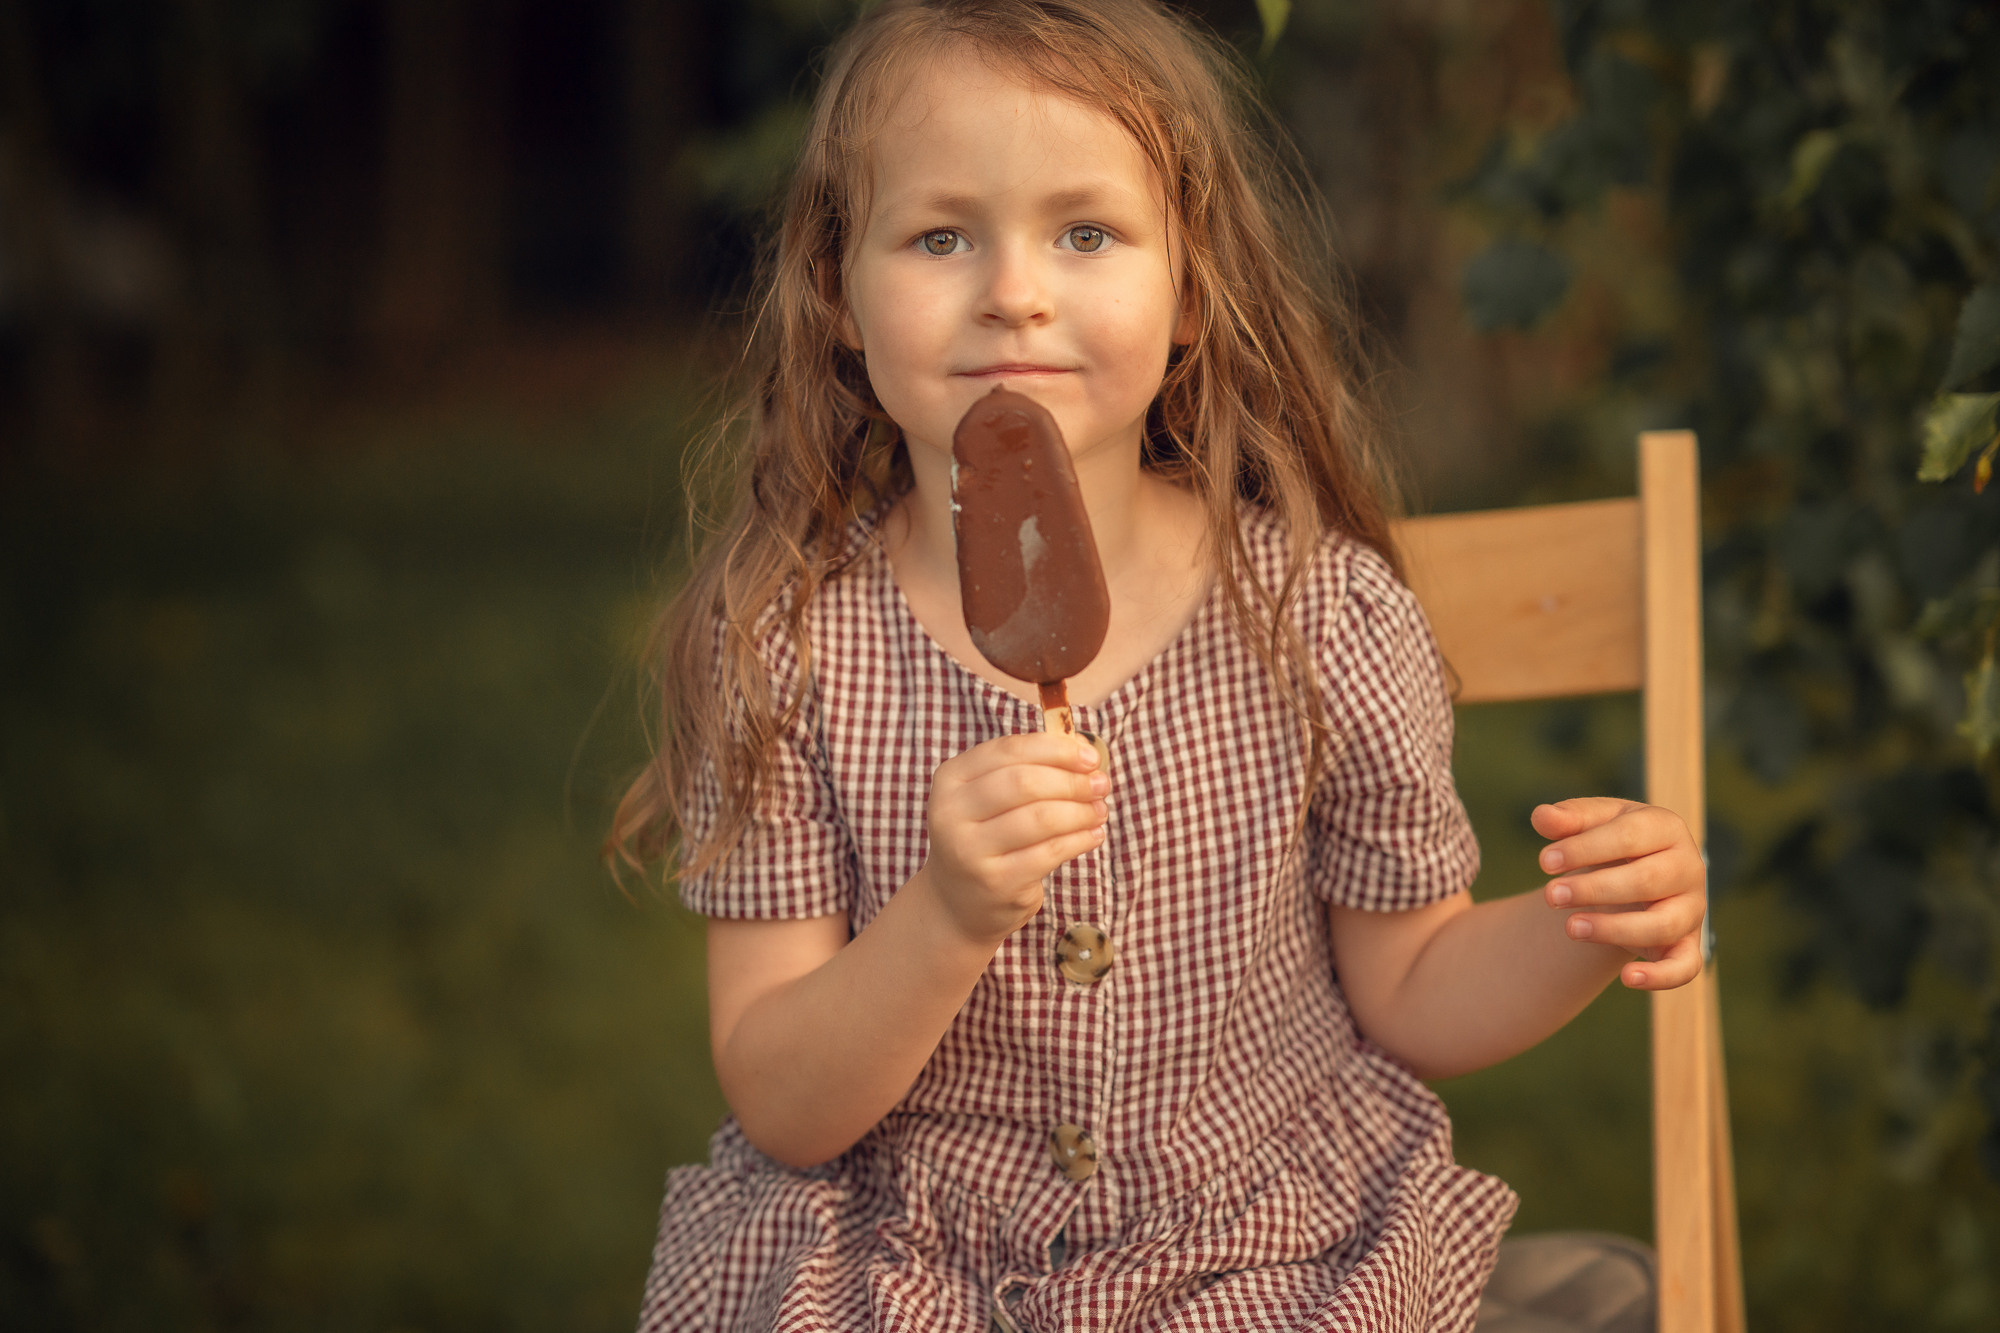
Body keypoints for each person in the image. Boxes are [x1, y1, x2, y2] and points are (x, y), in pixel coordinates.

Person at [610, 1, 1707, 1329]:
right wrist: (945, 913)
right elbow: (780, 1098)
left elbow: (1414, 987)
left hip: (1260, 1257)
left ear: (1190, 294)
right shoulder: (789, 643)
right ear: (837, 294)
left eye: (1086, 233)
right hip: (907, 1272)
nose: (1014, 289)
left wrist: (1578, 926)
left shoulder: (1317, 614)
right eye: (941, 235)